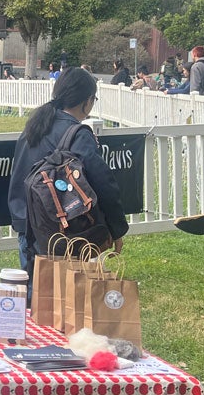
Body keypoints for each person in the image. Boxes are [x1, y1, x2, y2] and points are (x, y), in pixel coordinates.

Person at [8, 67, 128, 283]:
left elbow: (18, 176)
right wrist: (116, 228)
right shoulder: (78, 134)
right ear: (87, 100)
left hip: (28, 225)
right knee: (68, 300)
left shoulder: (33, 127)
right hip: (65, 231)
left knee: (35, 299)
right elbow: (103, 182)